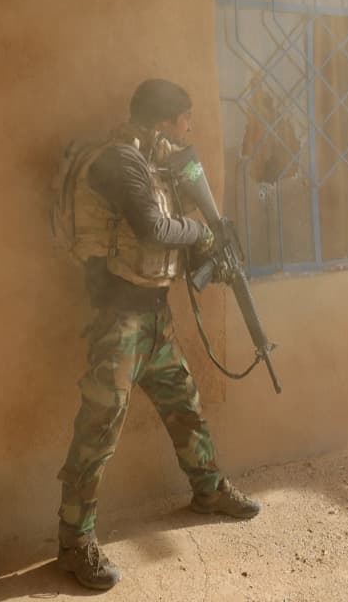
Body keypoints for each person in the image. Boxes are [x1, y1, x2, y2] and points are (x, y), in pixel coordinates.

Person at [56, 79, 260, 590]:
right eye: (185, 118)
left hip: (153, 317)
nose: (190, 128)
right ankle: (75, 542)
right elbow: (153, 229)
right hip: (119, 322)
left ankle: (209, 488)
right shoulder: (121, 162)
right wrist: (203, 233)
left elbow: (173, 234)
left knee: (184, 406)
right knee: (99, 431)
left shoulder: (156, 166)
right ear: (163, 121)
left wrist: (214, 250)